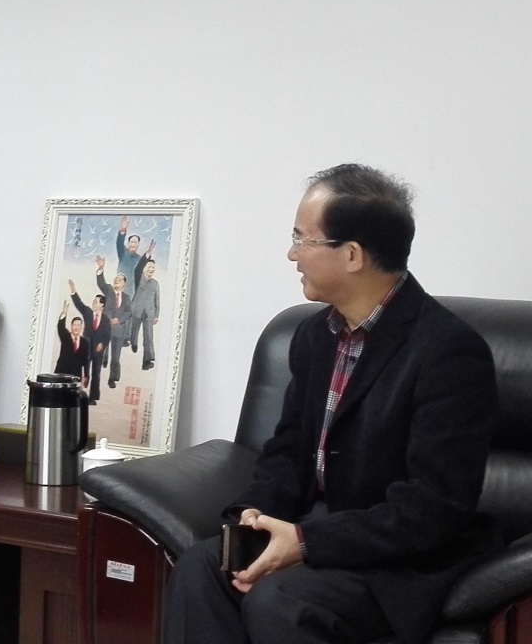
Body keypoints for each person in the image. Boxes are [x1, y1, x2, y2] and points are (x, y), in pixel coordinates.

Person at [165, 164, 499, 644]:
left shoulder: (448, 351)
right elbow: (287, 450)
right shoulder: (313, 336)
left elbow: (434, 506)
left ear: (352, 255)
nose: (291, 254)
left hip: (395, 561)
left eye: (303, 240)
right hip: (315, 533)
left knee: (280, 600)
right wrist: (255, 513)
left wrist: (305, 543)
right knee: (203, 566)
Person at [69, 279, 111, 405]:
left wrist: (102, 344)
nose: (93, 303)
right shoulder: (87, 313)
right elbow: (79, 304)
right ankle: (75, 394)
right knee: (82, 371)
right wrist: (73, 290)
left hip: (98, 351)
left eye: (96, 302)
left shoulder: (105, 320)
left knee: (96, 373)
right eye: (93, 301)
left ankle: (93, 397)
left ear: (102, 305)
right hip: (86, 349)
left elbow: (107, 336)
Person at [95, 255, 134, 388]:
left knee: (116, 357)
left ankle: (113, 378)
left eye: (119, 280)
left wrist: (120, 320)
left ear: (124, 284)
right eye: (115, 279)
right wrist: (101, 268)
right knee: (102, 351)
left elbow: (129, 312)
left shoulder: (127, 298)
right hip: (106, 328)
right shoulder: (108, 291)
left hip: (119, 330)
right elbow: (100, 283)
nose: (116, 281)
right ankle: (103, 360)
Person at [127, 252, 161, 369]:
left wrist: (156, 315)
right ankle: (133, 342)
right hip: (136, 310)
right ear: (143, 269)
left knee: (149, 337)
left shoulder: (155, 283)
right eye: (149, 267)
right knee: (134, 330)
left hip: (149, 313)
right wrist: (146, 255)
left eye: (153, 268)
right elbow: (137, 269)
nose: (151, 269)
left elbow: (157, 299)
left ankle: (147, 360)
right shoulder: (138, 278)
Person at [52, 298, 90, 383]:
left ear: (81, 327)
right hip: (62, 373)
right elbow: (60, 327)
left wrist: (86, 375)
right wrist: (64, 313)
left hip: (75, 375)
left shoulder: (85, 343)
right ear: (71, 326)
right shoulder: (65, 337)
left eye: (78, 325)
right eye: (74, 325)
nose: (76, 327)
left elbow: (86, 361)